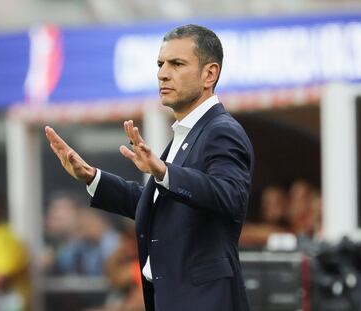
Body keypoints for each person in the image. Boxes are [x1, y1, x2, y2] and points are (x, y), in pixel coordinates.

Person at [45, 24, 254, 311]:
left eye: (177, 64)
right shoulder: (186, 134)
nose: (162, 73)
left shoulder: (221, 130)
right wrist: (93, 177)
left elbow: (231, 196)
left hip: (204, 302)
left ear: (210, 74)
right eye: (160, 64)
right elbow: (156, 204)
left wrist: (163, 172)